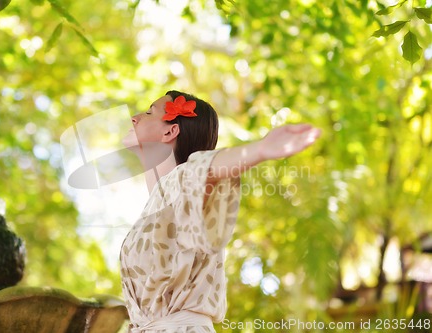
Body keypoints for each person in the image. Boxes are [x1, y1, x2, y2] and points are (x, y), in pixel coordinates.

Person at [120, 90, 321, 333]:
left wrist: (259, 150)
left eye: (150, 112)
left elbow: (207, 168)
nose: (135, 117)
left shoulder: (183, 178)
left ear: (170, 131)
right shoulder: (164, 199)